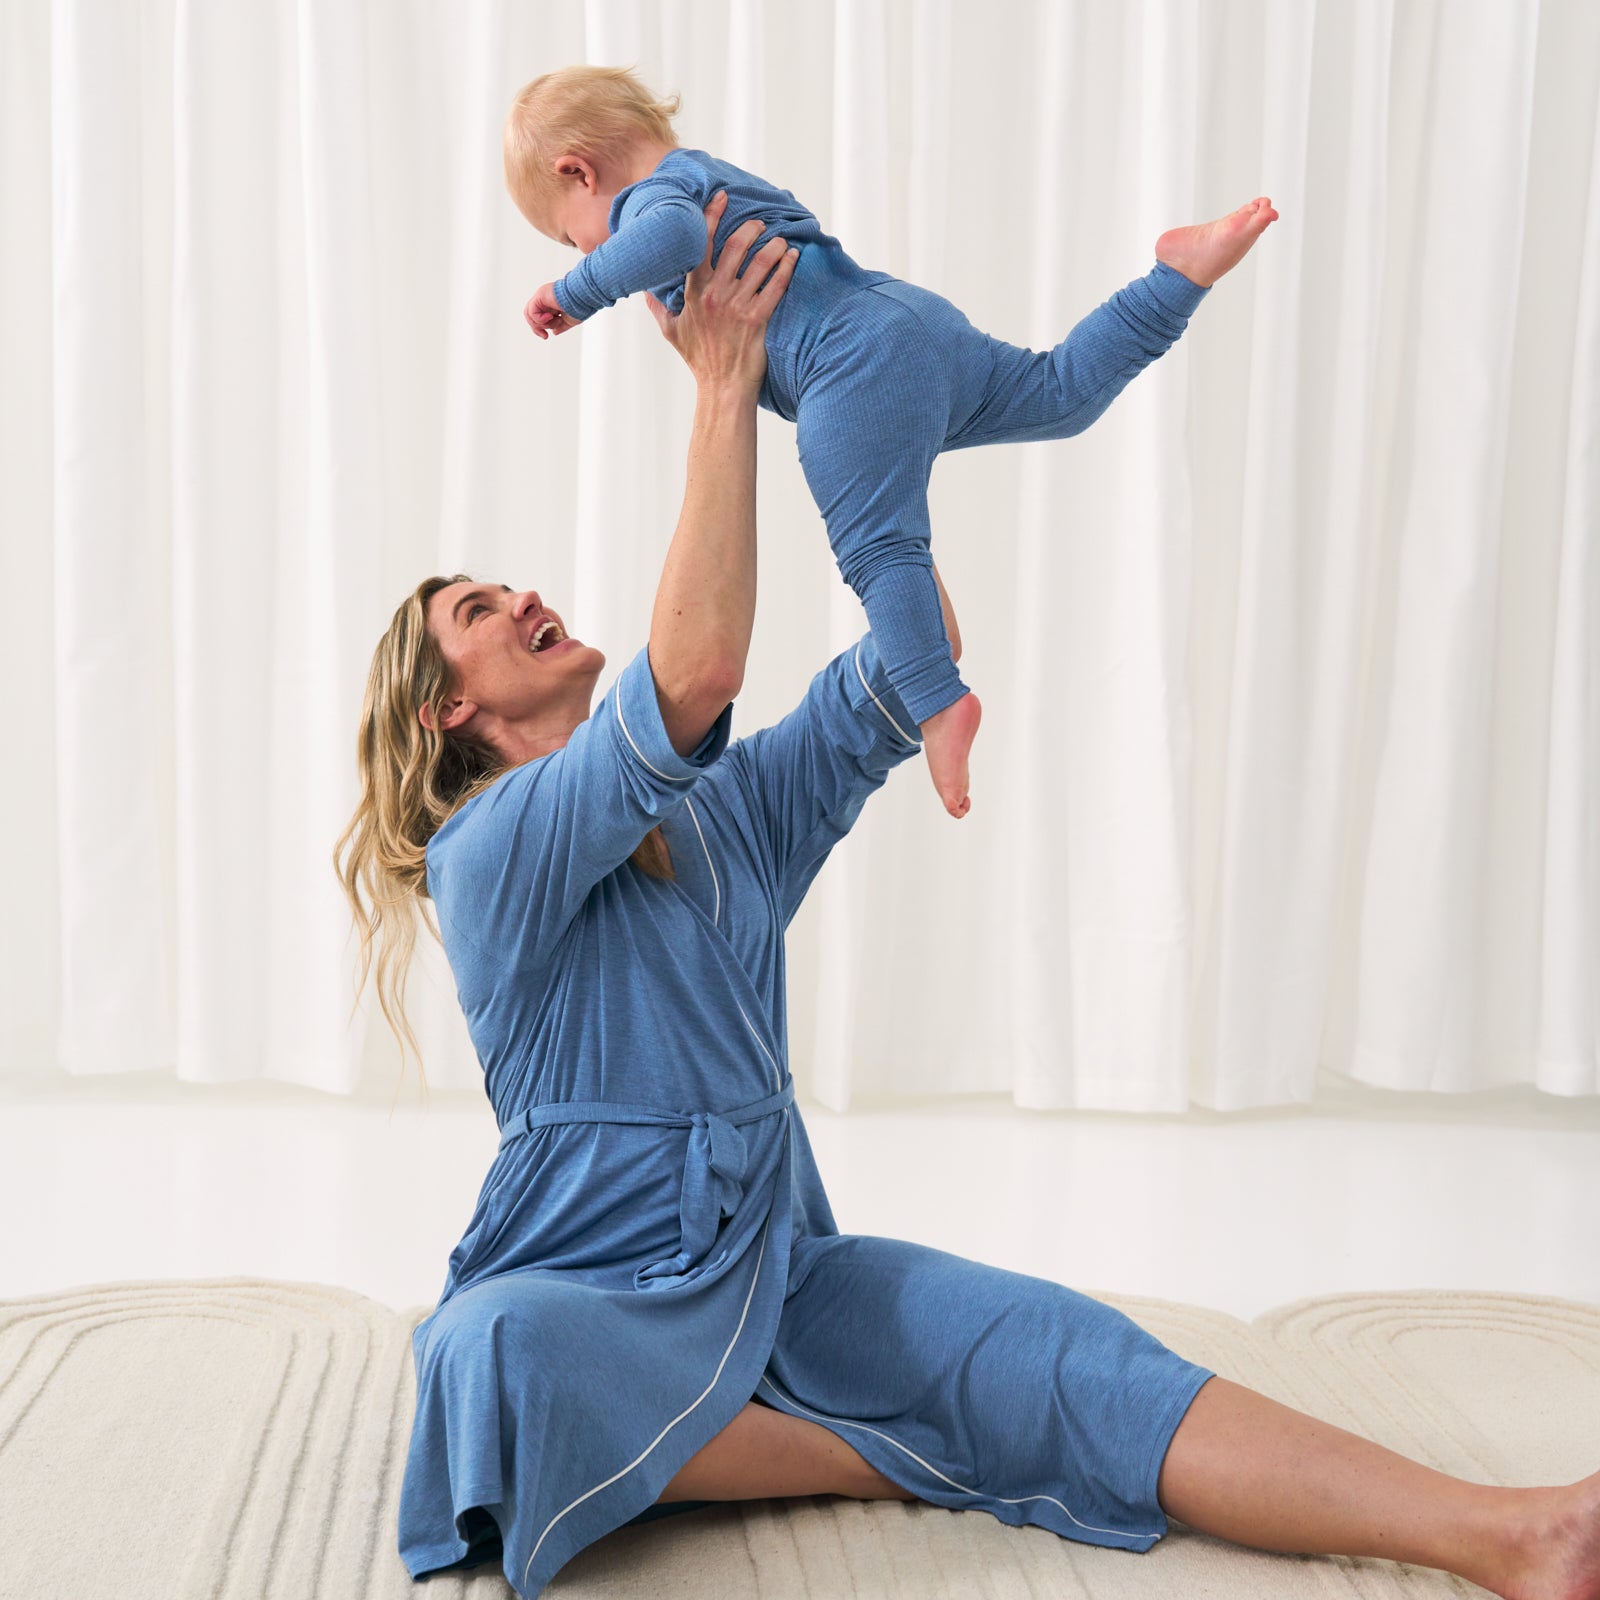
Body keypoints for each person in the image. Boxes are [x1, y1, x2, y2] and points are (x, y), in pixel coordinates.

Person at [336, 198, 1600, 1600]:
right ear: (452, 706)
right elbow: (691, 671)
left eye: (510, 583)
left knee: (1070, 1353)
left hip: (776, 1269)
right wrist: (724, 384)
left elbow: (913, 652)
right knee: (487, 1354)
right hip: (589, 1281)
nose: (521, 597)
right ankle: (857, 1453)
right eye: (477, 611)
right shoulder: (487, 848)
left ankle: (1517, 1534)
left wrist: (862, 396)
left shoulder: (726, 814)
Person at [501, 63, 1278, 819]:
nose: (589, 256)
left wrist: (576, 292)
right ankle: (1175, 280)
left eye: (574, 240)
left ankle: (938, 706)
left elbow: (667, 237)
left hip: (846, 367)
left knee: (880, 549)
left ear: (580, 173)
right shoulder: (705, 171)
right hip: (905, 320)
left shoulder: (655, 198)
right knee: (1056, 393)